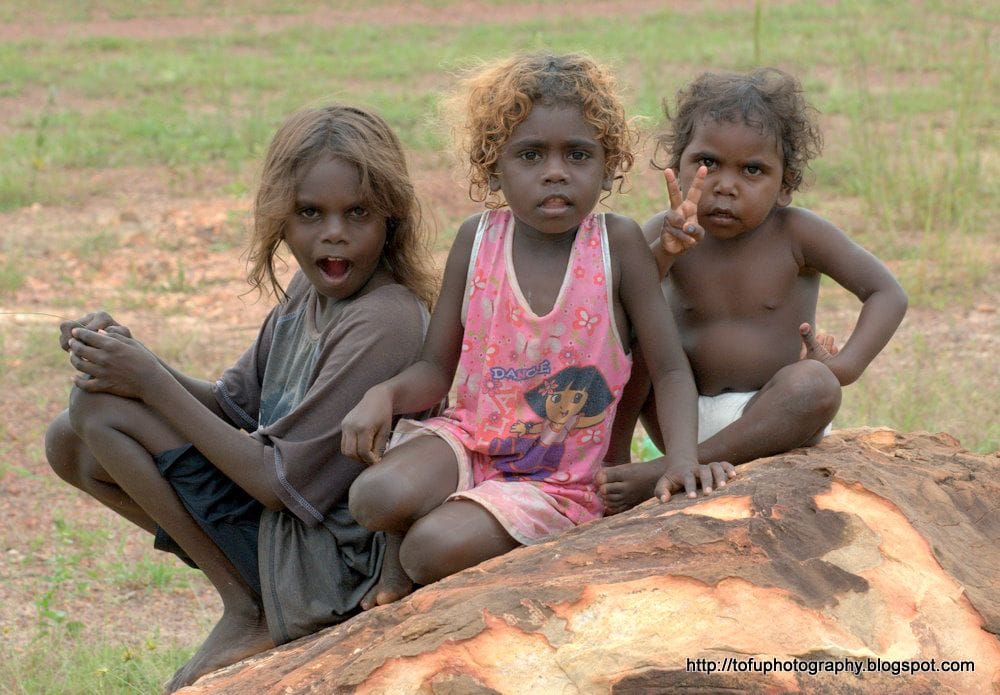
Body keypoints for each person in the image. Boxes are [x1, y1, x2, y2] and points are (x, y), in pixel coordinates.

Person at [43, 104, 437, 692]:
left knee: (102, 412)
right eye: (311, 213)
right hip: (286, 534)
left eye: (358, 213)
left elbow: (282, 487)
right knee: (69, 436)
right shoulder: (310, 289)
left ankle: (247, 606)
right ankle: (242, 589)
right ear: (281, 217)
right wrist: (128, 357)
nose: (334, 232)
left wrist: (147, 381)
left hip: (328, 566)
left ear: (392, 219)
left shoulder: (386, 318)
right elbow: (234, 408)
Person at [340, 52, 734, 609]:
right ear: (493, 166)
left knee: (428, 551)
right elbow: (434, 371)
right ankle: (443, 524)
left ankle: (426, 550)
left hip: (559, 482)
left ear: (608, 163)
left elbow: (669, 368)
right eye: (530, 155)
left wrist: (683, 459)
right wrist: (384, 395)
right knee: (374, 496)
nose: (555, 172)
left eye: (578, 154)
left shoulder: (616, 245)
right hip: (469, 440)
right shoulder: (476, 240)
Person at [600, 67, 908, 513]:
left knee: (815, 386)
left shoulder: (799, 233)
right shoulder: (662, 231)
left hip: (767, 416)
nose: (725, 185)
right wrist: (665, 253)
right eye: (707, 163)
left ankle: (663, 471)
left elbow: (887, 292)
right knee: (635, 340)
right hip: (676, 413)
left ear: (785, 185)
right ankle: (613, 461)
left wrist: (845, 366)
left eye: (752, 170)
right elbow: (612, 312)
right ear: (677, 165)